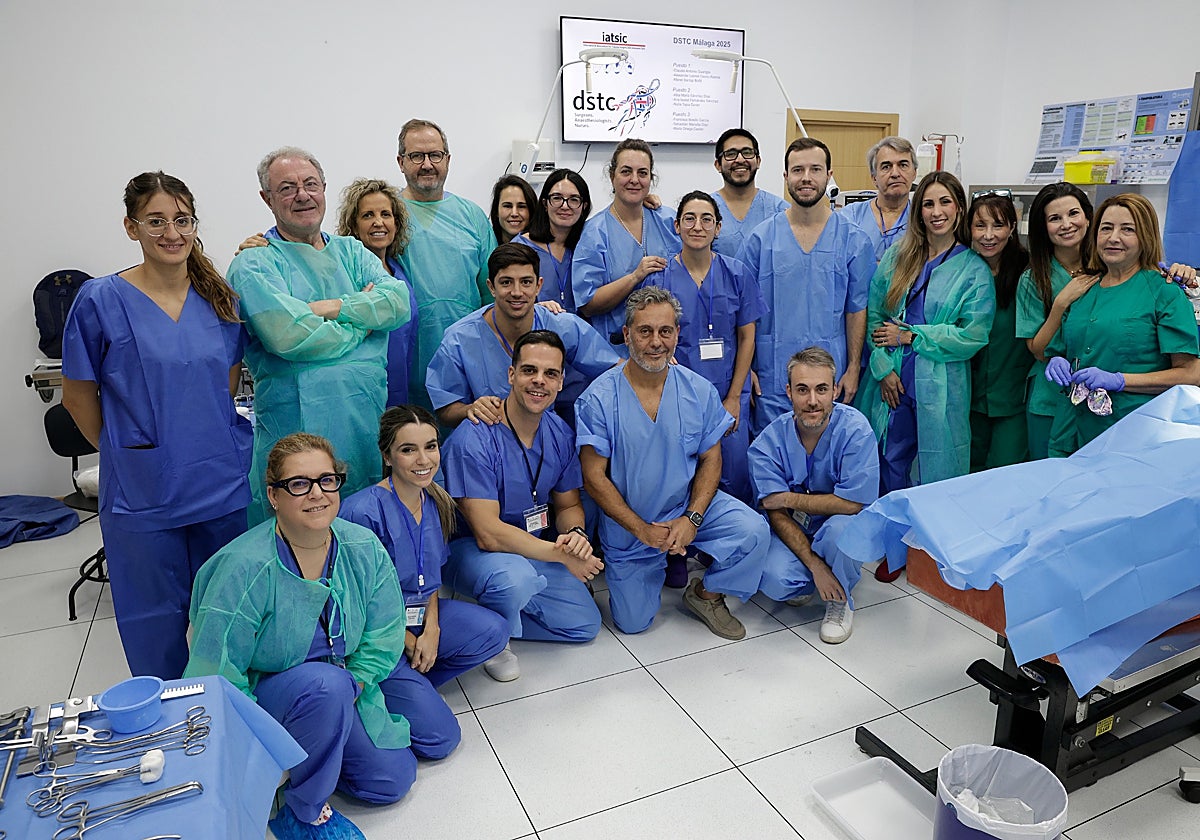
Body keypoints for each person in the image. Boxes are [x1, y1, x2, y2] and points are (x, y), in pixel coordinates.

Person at [61, 171, 251, 680]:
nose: (172, 232)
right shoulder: (100, 300)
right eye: (156, 221)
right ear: (131, 227)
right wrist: (126, 452)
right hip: (142, 493)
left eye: (182, 220)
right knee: (154, 620)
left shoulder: (220, 299)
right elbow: (77, 398)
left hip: (217, 480)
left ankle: (228, 706)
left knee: (227, 609)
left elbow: (226, 384)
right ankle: (170, 712)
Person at [185, 434, 415, 840]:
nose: (317, 494)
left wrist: (359, 682)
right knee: (326, 686)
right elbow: (218, 669)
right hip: (266, 697)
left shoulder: (361, 546)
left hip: (345, 686)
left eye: (327, 480)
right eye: (298, 484)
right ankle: (302, 810)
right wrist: (260, 745)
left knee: (392, 779)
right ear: (273, 496)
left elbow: (383, 631)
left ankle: (314, 754)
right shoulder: (245, 566)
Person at [229, 146, 411, 526]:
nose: (302, 195)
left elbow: (397, 303)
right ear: (267, 198)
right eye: (287, 188)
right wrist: (363, 324)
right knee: (298, 534)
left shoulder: (352, 251)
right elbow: (290, 335)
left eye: (311, 184)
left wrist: (331, 308)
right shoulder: (255, 263)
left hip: (363, 427)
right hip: (295, 431)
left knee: (362, 532)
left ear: (324, 188)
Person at [576, 287, 769, 639]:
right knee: (633, 624)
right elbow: (593, 478)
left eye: (665, 331)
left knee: (753, 531)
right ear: (627, 335)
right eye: (645, 331)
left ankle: (706, 594)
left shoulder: (698, 390)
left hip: (686, 507)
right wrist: (642, 530)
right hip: (631, 526)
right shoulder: (599, 399)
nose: (656, 342)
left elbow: (711, 457)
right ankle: (650, 565)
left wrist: (692, 518)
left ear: (677, 334)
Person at [442, 331, 604, 680]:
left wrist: (575, 536)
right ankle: (492, 639)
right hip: (471, 550)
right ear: (511, 374)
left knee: (584, 624)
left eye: (550, 374)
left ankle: (484, 617)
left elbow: (568, 505)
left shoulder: (559, 433)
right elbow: (487, 534)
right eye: (529, 370)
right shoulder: (476, 436)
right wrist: (558, 554)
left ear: (560, 382)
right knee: (515, 578)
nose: (539, 381)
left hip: (530, 546)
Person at [856, 172, 994, 581]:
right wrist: (883, 369)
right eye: (929, 204)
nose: (937, 212)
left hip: (941, 383)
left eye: (945, 202)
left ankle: (936, 552)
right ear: (918, 211)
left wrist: (912, 336)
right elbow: (875, 316)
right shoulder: (899, 258)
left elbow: (973, 334)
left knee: (940, 465)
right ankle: (894, 548)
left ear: (959, 208)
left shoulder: (973, 270)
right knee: (890, 462)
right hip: (893, 381)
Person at [340, 407, 509, 718]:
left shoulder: (435, 502)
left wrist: (432, 629)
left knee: (494, 631)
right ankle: (400, 685)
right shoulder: (361, 513)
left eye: (430, 446)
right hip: (377, 634)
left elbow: (429, 580)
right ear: (387, 456)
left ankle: (417, 683)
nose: (423, 460)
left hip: (419, 616)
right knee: (438, 735)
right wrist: (407, 640)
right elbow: (355, 604)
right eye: (408, 450)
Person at [1043, 193, 1200, 455]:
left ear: (1145, 236)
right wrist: (1057, 360)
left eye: (1127, 229)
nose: (1113, 238)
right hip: (1072, 430)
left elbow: (1191, 374)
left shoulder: (1164, 292)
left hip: (1133, 433)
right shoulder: (1084, 290)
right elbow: (1060, 348)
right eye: (1106, 228)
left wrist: (1120, 380)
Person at [738, 137, 874, 434]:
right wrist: (745, 369)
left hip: (831, 377)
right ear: (786, 176)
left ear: (829, 175)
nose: (806, 178)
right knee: (774, 452)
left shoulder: (853, 239)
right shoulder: (761, 239)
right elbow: (743, 311)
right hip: (773, 377)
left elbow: (857, 309)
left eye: (815, 169)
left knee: (830, 450)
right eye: (798, 170)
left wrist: (853, 367)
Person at [751, 348, 879, 644]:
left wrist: (789, 499)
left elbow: (853, 503)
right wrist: (815, 565)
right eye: (802, 390)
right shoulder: (769, 442)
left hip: (838, 523)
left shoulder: (855, 431)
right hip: (795, 528)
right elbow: (774, 510)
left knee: (839, 533)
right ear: (788, 392)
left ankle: (840, 599)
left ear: (835, 390)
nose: (812, 401)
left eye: (821, 389)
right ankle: (814, 578)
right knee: (774, 580)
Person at [426, 242, 620, 428]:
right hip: (487, 438)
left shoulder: (561, 325)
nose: (517, 292)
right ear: (491, 287)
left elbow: (616, 369)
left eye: (526, 282)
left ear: (538, 286)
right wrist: (470, 409)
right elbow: (445, 409)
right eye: (506, 282)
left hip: (545, 436)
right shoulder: (459, 340)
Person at [648, 191, 762, 503]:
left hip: (728, 392)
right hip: (676, 396)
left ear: (718, 227)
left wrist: (735, 397)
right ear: (676, 226)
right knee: (681, 476)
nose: (697, 226)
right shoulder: (660, 278)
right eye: (689, 218)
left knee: (734, 473)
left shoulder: (737, 274)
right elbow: (651, 339)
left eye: (706, 219)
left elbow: (747, 337)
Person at [395, 119, 497, 406]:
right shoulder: (387, 214)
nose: (427, 164)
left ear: (448, 160)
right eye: (417, 156)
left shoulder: (471, 216)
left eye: (435, 155)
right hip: (406, 356)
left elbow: (492, 291)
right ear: (401, 162)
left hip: (467, 355)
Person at [572, 138, 681, 353]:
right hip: (617, 351)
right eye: (626, 172)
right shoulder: (595, 232)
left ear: (651, 179)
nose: (634, 180)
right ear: (612, 176)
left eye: (642, 173)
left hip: (669, 348)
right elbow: (588, 303)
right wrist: (634, 277)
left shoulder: (668, 221)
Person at [1014, 183, 1096, 460]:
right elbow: (1038, 350)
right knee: (1047, 474)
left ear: (1088, 217)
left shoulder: (1108, 267)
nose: (1066, 224)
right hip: (1050, 396)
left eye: (1073, 213)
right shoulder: (1033, 279)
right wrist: (1061, 303)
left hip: (1100, 391)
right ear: (1043, 227)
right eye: (1055, 218)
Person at [335, 179, 420, 409]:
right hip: (362, 391)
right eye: (368, 215)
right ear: (354, 226)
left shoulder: (398, 270)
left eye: (385, 214)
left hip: (400, 387)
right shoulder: (345, 271)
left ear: (396, 223)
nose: (378, 222)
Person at [967, 192, 1032, 470]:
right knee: (967, 473)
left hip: (1013, 398)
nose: (988, 235)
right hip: (969, 398)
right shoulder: (962, 271)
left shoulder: (1029, 272)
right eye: (980, 225)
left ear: (1012, 228)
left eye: (998, 225)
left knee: (1007, 472)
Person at [513, 168, 592, 310]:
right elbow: (511, 299)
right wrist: (536, 308)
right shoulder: (521, 248)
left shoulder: (589, 245)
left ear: (584, 207)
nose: (565, 206)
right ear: (545, 203)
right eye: (557, 198)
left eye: (574, 200)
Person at [709, 127, 789, 259]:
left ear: (758, 161)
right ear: (718, 165)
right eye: (731, 154)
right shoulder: (705, 209)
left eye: (747, 152)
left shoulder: (780, 210)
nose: (740, 159)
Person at [840, 137, 918, 262]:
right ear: (874, 177)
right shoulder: (851, 217)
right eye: (886, 167)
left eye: (903, 165)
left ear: (914, 173)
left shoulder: (921, 218)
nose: (895, 173)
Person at [489, 174, 537, 245]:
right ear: (496, 211)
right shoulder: (485, 245)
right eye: (507, 206)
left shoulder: (542, 248)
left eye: (521, 206)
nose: (514, 213)